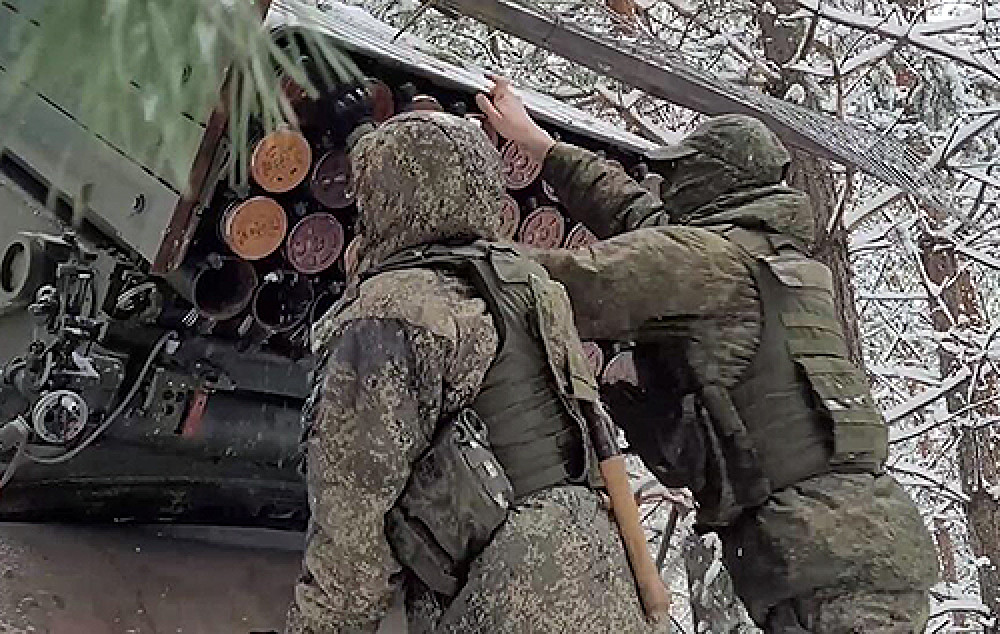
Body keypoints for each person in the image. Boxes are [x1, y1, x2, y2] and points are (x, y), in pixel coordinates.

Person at [477, 77, 938, 633]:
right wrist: (543, 148)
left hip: (824, 573)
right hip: (866, 543)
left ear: (712, 179)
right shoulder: (779, 263)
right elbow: (648, 227)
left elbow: (567, 282)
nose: (668, 185)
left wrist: (457, 244)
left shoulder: (712, 263)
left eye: (679, 173)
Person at [285, 111, 657, 633]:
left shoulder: (391, 314)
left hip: (503, 598)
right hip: (600, 576)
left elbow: (352, 539)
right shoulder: (533, 288)